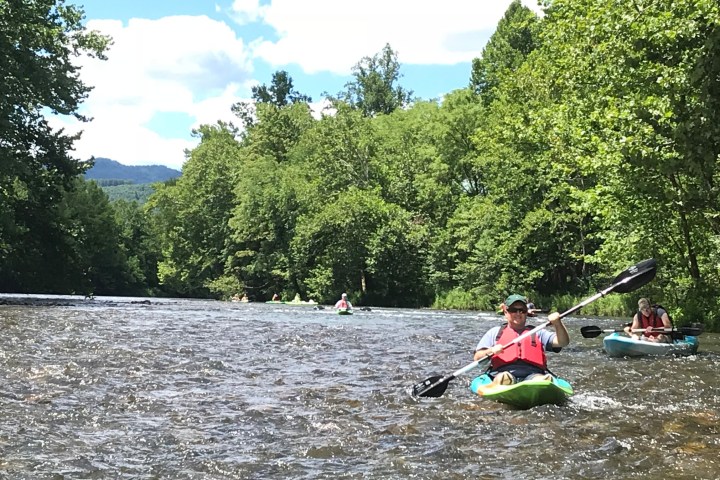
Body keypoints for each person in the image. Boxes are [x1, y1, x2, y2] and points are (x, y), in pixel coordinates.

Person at [473, 294, 570, 386]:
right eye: (513, 310)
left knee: (539, 379)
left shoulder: (537, 332)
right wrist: (491, 350)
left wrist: (557, 323)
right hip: (502, 373)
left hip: (533, 374)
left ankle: (541, 384)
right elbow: (477, 358)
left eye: (522, 310)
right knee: (502, 377)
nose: (518, 313)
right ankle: (506, 382)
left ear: (526, 312)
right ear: (506, 311)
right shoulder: (495, 332)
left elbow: (563, 342)